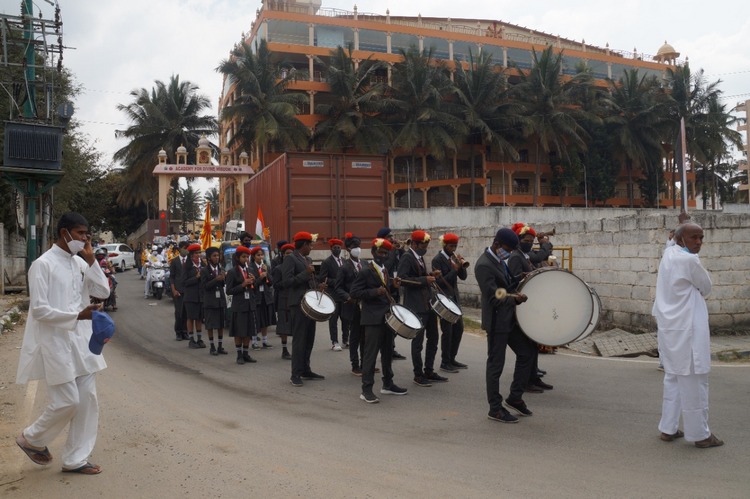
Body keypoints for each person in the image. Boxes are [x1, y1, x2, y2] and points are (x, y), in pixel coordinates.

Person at [16, 212, 110, 474]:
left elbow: (103, 292)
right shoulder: (42, 265)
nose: (85, 239)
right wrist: (78, 315)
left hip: (82, 341)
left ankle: (76, 459)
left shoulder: (80, 264)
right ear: (64, 233)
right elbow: (40, 311)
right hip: (54, 341)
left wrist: (92, 263)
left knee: (87, 400)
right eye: (80, 233)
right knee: (67, 401)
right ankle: (31, 439)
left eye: (86, 234)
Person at [652, 222, 723, 448]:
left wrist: (680, 226)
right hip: (688, 331)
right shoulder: (689, 260)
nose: (699, 242)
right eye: (694, 238)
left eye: (701, 238)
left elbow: (671, 243)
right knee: (695, 381)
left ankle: (668, 427)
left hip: (671, 330)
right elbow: (706, 286)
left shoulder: (669, 253)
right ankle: (700, 435)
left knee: (673, 377)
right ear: (682, 239)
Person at [475, 228, 536, 423]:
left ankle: (515, 397)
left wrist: (520, 278)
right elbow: (495, 296)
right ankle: (495, 408)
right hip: (496, 322)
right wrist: (515, 300)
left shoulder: (499, 260)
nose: (509, 253)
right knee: (495, 365)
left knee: (527, 353)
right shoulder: (484, 265)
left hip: (509, 319)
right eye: (507, 249)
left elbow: (505, 285)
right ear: (497, 244)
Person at [350, 238, 408, 403]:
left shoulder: (384, 270)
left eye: (385, 253)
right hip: (372, 319)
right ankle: (366, 389)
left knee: (388, 352)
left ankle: (388, 384)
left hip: (387, 318)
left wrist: (392, 284)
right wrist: (375, 292)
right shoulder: (366, 271)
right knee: (370, 355)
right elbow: (354, 292)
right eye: (380, 252)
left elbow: (384, 286)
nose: (383, 255)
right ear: (373, 252)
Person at [397, 230, 448, 387]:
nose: (424, 248)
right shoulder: (407, 257)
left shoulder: (418, 257)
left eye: (426, 245)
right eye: (422, 245)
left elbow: (419, 276)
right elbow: (402, 279)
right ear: (414, 244)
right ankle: (418, 374)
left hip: (427, 303)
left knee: (433, 338)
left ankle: (429, 370)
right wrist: (424, 279)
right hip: (416, 306)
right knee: (418, 342)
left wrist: (431, 275)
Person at [508, 223, 554, 393]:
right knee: (527, 347)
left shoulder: (524, 255)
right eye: (526, 240)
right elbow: (512, 281)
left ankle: (533, 377)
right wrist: (525, 276)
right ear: (519, 240)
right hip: (522, 306)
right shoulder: (515, 257)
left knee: (533, 345)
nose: (529, 243)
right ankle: (527, 381)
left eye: (531, 240)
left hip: (531, 304)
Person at [283, 231, 326, 386]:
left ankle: (305, 369)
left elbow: (310, 281)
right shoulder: (290, 259)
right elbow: (287, 282)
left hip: (310, 304)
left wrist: (318, 286)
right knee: (299, 340)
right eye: (310, 245)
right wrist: (305, 273)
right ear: (304, 245)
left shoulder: (307, 259)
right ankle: (295, 374)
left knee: (309, 339)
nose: (312, 247)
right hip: (298, 304)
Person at [431, 233, 468, 373]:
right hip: (444, 299)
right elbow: (440, 281)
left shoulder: (453, 258)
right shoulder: (437, 260)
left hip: (455, 299)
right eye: (451, 246)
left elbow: (463, 277)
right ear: (444, 245)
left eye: (455, 246)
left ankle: (452, 358)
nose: (453, 249)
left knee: (459, 329)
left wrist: (461, 266)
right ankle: (445, 362)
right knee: (448, 331)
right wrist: (454, 269)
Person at [334, 233, 365, 375]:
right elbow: (338, 288)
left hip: (365, 307)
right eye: (354, 247)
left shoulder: (364, 264)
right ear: (348, 249)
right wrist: (347, 297)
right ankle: (355, 364)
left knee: (365, 336)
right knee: (355, 337)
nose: (357, 249)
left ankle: (366, 362)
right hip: (351, 306)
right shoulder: (344, 267)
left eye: (358, 246)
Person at [376, 227, 406, 360]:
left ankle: (391, 348)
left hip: (395, 288)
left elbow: (402, 262)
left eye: (392, 236)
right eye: (389, 237)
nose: (392, 239)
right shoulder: (382, 252)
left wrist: (401, 249)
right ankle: (386, 350)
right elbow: (387, 265)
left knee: (395, 320)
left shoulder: (394, 251)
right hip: (386, 289)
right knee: (388, 321)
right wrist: (393, 250)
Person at [225, 246, 258, 365]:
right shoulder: (232, 272)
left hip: (250, 304)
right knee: (239, 331)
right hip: (239, 305)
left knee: (248, 330)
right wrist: (243, 285)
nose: (246, 259)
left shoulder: (250, 270)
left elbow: (255, 288)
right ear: (238, 258)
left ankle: (246, 353)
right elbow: (229, 290)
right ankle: (239, 355)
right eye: (243, 257)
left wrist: (254, 281)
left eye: (247, 257)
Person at [319, 237, 347, 351]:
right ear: (331, 249)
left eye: (339, 247)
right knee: (333, 320)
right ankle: (334, 341)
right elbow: (323, 278)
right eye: (335, 247)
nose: (337, 249)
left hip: (344, 294)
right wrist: (336, 281)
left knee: (346, 319)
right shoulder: (326, 262)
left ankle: (346, 339)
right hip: (333, 295)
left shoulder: (344, 261)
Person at [201, 247, 228, 356]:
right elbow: (204, 286)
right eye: (214, 256)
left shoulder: (221, 268)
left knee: (221, 324)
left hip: (220, 299)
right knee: (211, 325)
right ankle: (212, 346)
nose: (217, 258)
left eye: (218, 256)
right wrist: (215, 280)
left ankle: (220, 346)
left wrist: (223, 278)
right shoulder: (204, 270)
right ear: (209, 258)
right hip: (210, 300)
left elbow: (223, 284)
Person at [249, 246, 275, 350]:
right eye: (258, 255)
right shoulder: (250, 268)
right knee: (256, 320)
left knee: (265, 320)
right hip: (256, 297)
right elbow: (253, 284)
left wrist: (266, 273)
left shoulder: (265, 266)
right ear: (254, 256)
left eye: (262, 255)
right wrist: (260, 277)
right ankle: (254, 342)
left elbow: (271, 282)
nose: (260, 257)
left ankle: (265, 341)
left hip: (266, 297)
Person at [272, 243, 295, 360]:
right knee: (284, 327)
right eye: (287, 253)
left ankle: (296, 349)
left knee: (295, 325)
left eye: (291, 253)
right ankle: (284, 350)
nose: (289, 256)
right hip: (283, 300)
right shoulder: (278, 269)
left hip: (295, 299)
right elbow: (275, 285)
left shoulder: (296, 267)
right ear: (282, 255)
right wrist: (288, 282)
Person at [182, 244, 205, 349]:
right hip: (190, 296)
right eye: (196, 253)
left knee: (199, 318)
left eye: (199, 252)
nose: (198, 255)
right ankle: (191, 340)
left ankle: (199, 339)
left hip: (201, 296)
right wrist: (196, 278)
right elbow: (184, 282)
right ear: (191, 255)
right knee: (191, 318)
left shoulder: (203, 265)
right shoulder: (186, 266)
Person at [170, 241, 190, 341]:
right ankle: (178, 332)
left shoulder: (190, 261)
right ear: (180, 249)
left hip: (187, 290)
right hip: (178, 291)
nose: (186, 250)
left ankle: (185, 332)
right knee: (179, 312)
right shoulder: (174, 261)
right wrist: (173, 290)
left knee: (186, 313)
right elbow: (172, 277)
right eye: (185, 248)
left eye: (187, 248)